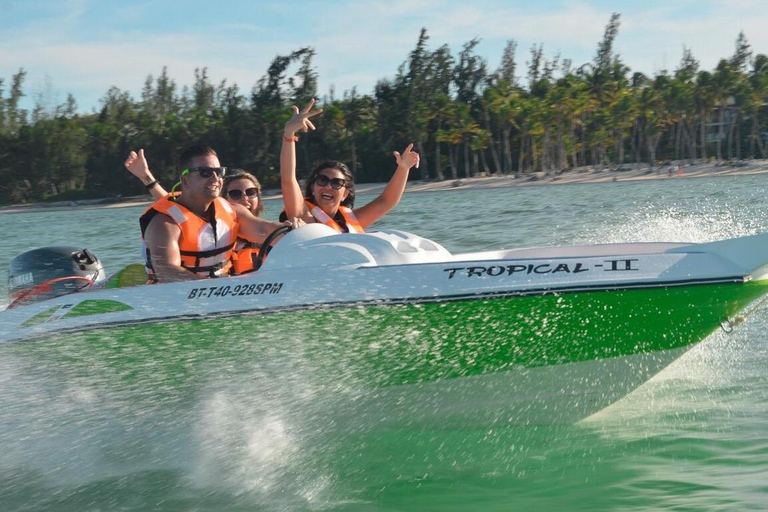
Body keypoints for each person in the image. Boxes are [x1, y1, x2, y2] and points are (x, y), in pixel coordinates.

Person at [138, 144, 301, 283]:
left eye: (219, 171)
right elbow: (167, 271)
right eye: (205, 172)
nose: (216, 178)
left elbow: (265, 231)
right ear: (185, 180)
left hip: (224, 293)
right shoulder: (164, 223)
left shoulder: (233, 212)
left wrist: (296, 231)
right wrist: (213, 289)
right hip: (175, 301)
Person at [280, 99, 420, 232]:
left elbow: (387, 201)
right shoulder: (303, 216)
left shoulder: (354, 219)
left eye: (337, 183)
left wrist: (403, 168)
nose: (328, 186)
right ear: (313, 187)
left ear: (345, 194)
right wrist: (289, 133)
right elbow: (288, 179)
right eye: (322, 180)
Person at [125, 151, 268, 274]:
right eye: (236, 194)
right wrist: (146, 177)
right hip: (195, 292)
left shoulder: (233, 216)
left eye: (251, 192)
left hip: (229, 286)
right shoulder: (167, 223)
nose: (244, 198)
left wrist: (288, 228)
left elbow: (267, 229)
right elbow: (178, 210)